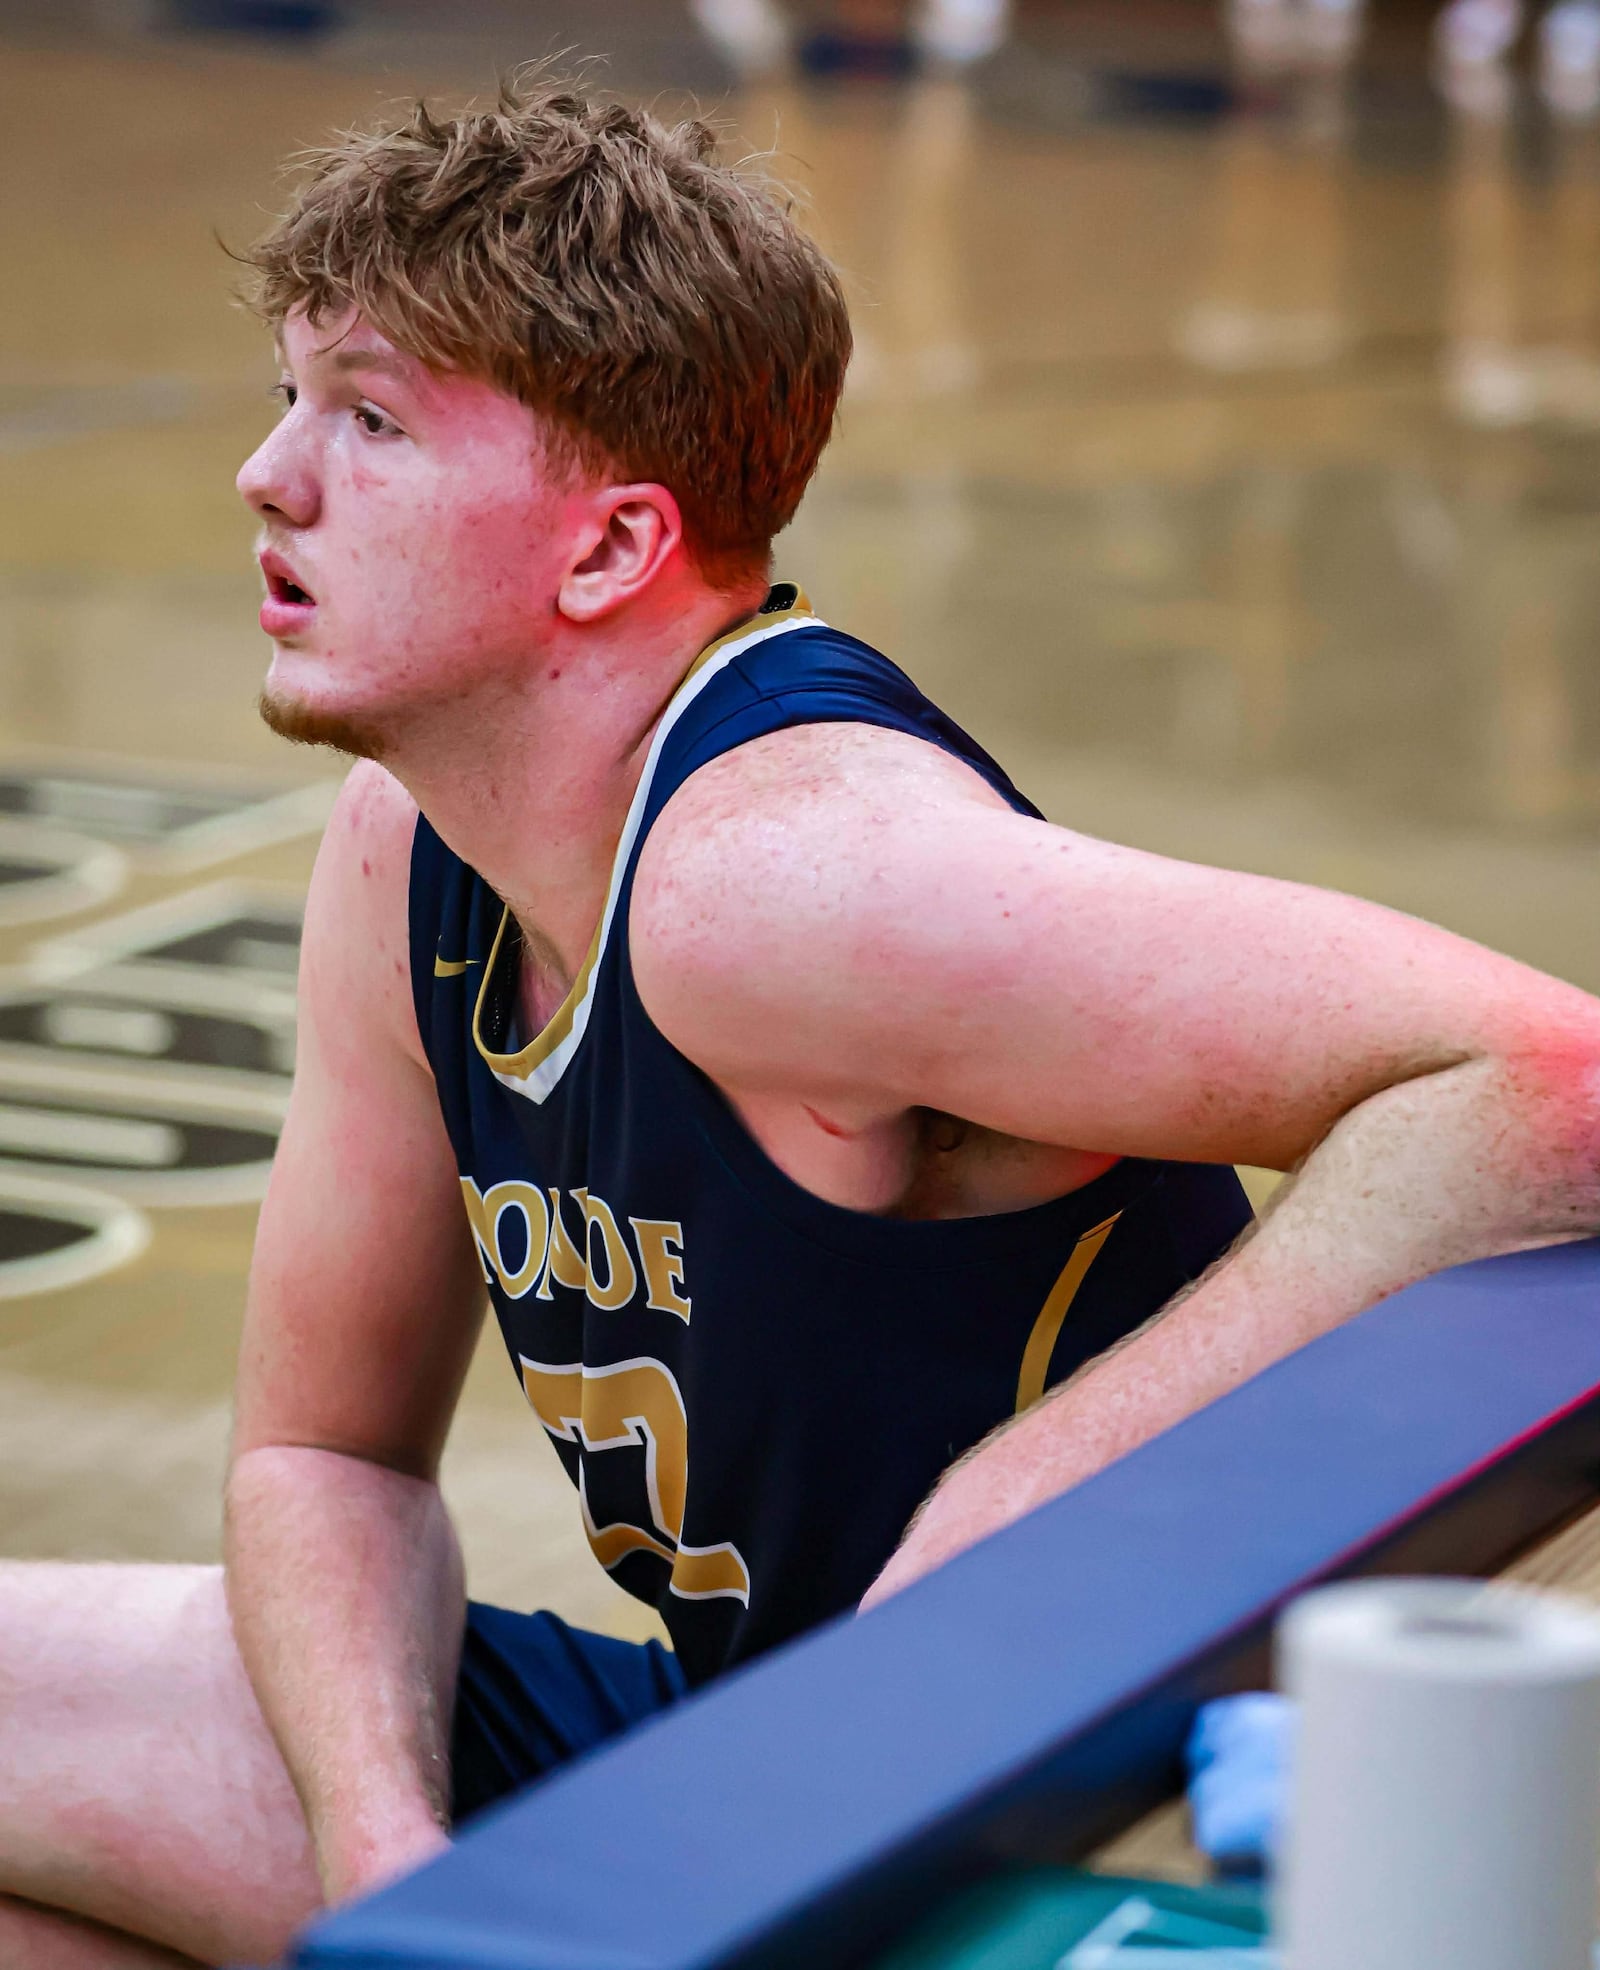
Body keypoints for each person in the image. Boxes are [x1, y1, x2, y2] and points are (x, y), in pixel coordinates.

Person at [3, 77, 1598, 1970]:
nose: (270, 474)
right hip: (751, 1755)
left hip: (1044, 1800)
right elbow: (325, 1457)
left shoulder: (785, 879)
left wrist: (1019, 1515)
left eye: (369, 419)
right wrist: (396, 1873)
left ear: (607, 553)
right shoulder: (403, 849)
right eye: (289, 398)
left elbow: (1548, 1078)